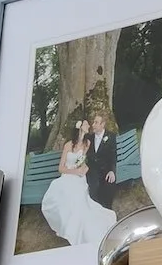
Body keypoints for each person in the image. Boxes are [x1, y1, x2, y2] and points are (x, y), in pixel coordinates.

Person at [41, 111, 103, 250]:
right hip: (68, 175)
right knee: (67, 192)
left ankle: (81, 228)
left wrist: (84, 168)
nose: (89, 126)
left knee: (80, 199)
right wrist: (75, 171)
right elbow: (61, 168)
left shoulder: (87, 143)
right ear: (80, 127)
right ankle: (69, 227)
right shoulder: (69, 145)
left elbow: (83, 162)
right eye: (87, 124)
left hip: (80, 177)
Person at [86, 105, 121, 211]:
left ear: (103, 124)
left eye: (96, 122)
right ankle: (95, 213)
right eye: (93, 122)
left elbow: (113, 155)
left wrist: (112, 171)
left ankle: (107, 213)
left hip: (106, 170)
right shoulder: (89, 138)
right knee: (93, 188)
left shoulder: (111, 137)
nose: (93, 125)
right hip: (93, 171)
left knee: (109, 185)